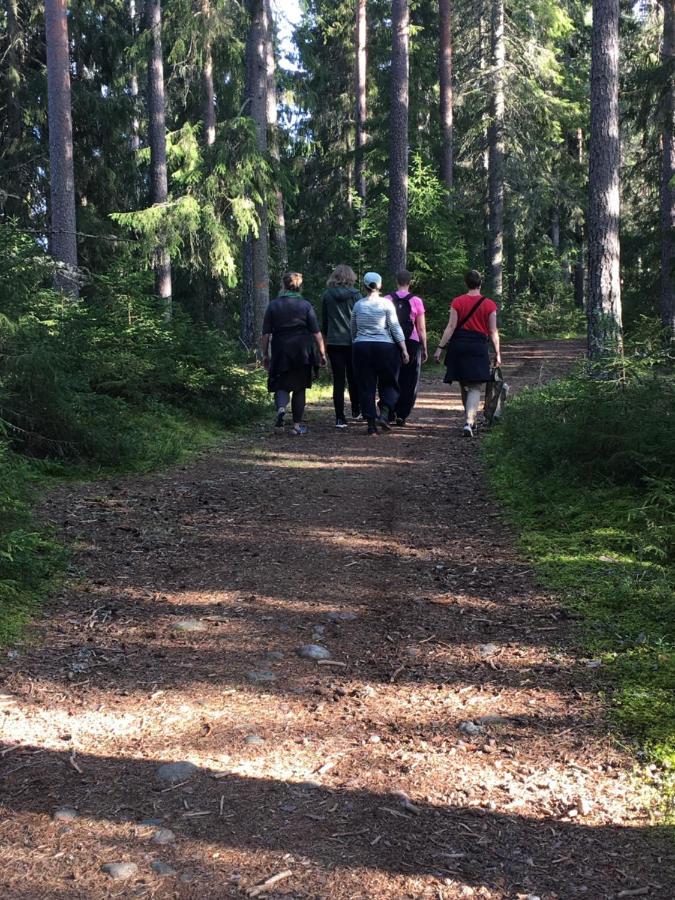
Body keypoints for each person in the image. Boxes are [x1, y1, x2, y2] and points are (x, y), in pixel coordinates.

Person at [433, 269, 501, 437]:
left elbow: (450, 327)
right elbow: (493, 331)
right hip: (478, 346)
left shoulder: (457, 302)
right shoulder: (489, 304)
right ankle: (469, 421)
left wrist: (440, 348)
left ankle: (470, 420)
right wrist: (498, 352)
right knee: (475, 386)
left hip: (459, 345)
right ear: (480, 283)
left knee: (465, 384)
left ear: (466, 283)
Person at [261, 271, 327, 435]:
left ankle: (281, 410)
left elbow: (266, 334)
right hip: (302, 350)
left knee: (281, 384)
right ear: (299, 286)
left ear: (283, 285)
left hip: (280, 348)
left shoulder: (273, 305)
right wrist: (322, 353)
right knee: (299, 388)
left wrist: (265, 355)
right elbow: (316, 333)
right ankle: (297, 425)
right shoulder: (305, 305)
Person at [351, 271, 409, 437]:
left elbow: (353, 328)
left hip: (361, 347)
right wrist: (404, 348)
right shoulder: (386, 304)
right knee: (389, 382)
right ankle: (384, 413)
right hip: (386, 348)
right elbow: (395, 327)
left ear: (364, 286)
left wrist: (355, 342)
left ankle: (371, 426)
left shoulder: (358, 305)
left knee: (366, 385)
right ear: (380, 285)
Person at [321, 264, 361, 428]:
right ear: (350, 277)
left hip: (334, 342)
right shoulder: (356, 295)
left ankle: (339, 417)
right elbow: (360, 317)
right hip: (353, 341)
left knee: (338, 380)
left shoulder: (327, 295)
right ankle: (356, 410)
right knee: (354, 377)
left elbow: (324, 322)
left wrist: (323, 342)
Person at [386, 270, 428, 425]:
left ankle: (389, 409)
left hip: (391, 342)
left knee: (391, 376)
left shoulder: (387, 299)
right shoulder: (416, 301)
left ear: (396, 281)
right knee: (410, 379)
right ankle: (402, 414)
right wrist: (424, 348)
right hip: (411, 341)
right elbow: (421, 328)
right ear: (410, 282)